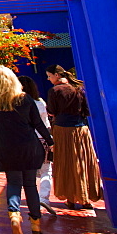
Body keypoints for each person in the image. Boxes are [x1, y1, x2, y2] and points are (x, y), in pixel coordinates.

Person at [0, 67, 53, 234]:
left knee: (14, 183)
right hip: (29, 148)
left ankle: (14, 215)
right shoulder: (25, 99)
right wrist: (50, 141)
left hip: (7, 150)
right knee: (30, 185)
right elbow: (38, 124)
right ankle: (35, 223)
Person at [45, 64, 103, 211]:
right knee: (83, 162)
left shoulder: (55, 91)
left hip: (63, 130)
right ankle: (86, 198)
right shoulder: (79, 89)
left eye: (50, 76)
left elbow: (51, 111)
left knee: (66, 163)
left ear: (57, 76)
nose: (48, 79)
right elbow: (87, 110)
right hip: (81, 130)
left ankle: (70, 198)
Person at [17, 75, 56, 217]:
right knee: (46, 170)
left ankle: (32, 199)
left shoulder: (18, 104)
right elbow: (45, 123)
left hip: (26, 140)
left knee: (30, 173)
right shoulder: (40, 102)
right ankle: (44, 198)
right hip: (42, 139)